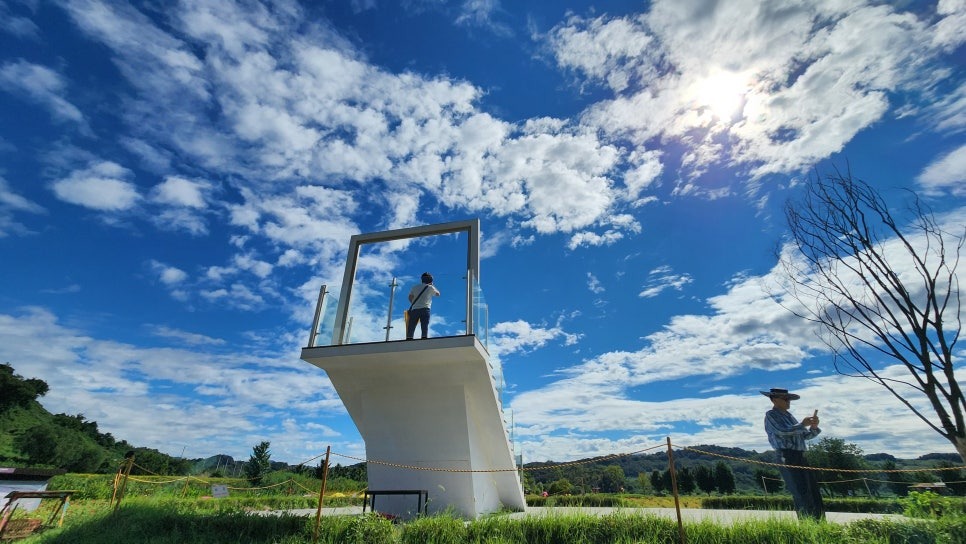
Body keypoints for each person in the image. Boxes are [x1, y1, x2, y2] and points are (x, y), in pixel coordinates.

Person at [762, 387, 825, 520]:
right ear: (774, 400)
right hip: (787, 456)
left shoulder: (790, 416)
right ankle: (808, 525)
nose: (788, 401)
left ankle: (820, 523)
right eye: (785, 399)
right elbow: (782, 431)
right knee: (801, 491)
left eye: (789, 399)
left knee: (813, 490)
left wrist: (813, 427)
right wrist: (802, 424)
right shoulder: (771, 415)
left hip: (801, 456)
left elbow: (805, 436)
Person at [405, 272, 440, 340]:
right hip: (425, 309)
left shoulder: (415, 287)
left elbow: (410, 297)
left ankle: (409, 338)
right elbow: (438, 294)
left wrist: (414, 303)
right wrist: (432, 285)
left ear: (422, 279)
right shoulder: (430, 287)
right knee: (424, 325)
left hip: (415, 309)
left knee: (411, 325)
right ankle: (424, 337)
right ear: (430, 280)